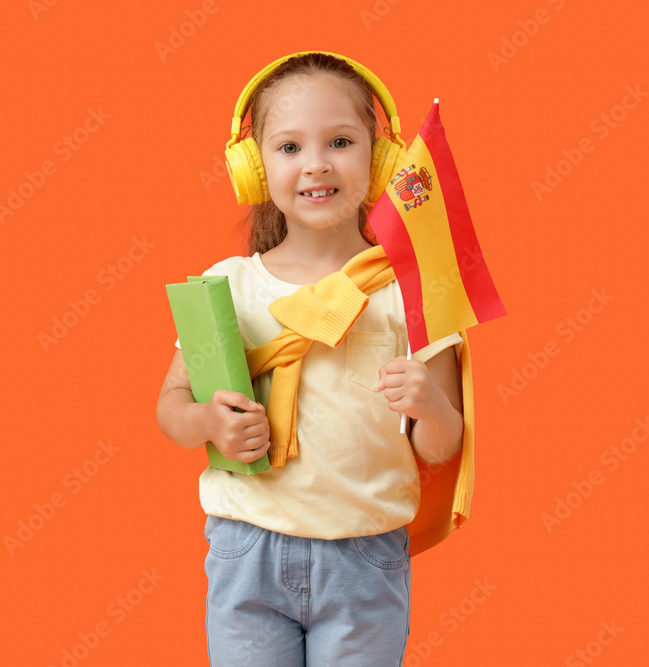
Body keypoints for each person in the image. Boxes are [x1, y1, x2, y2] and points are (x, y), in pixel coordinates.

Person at [157, 51, 469, 666]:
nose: (316, 164)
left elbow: (443, 444)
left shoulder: (414, 290)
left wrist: (430, 405)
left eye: (341, 141)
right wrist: (206, 423)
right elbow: (171, 406)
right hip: (247, 551)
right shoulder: (229, 286)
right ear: (254, 167)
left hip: (363, 557)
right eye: (289, 147)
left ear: (379, 160)